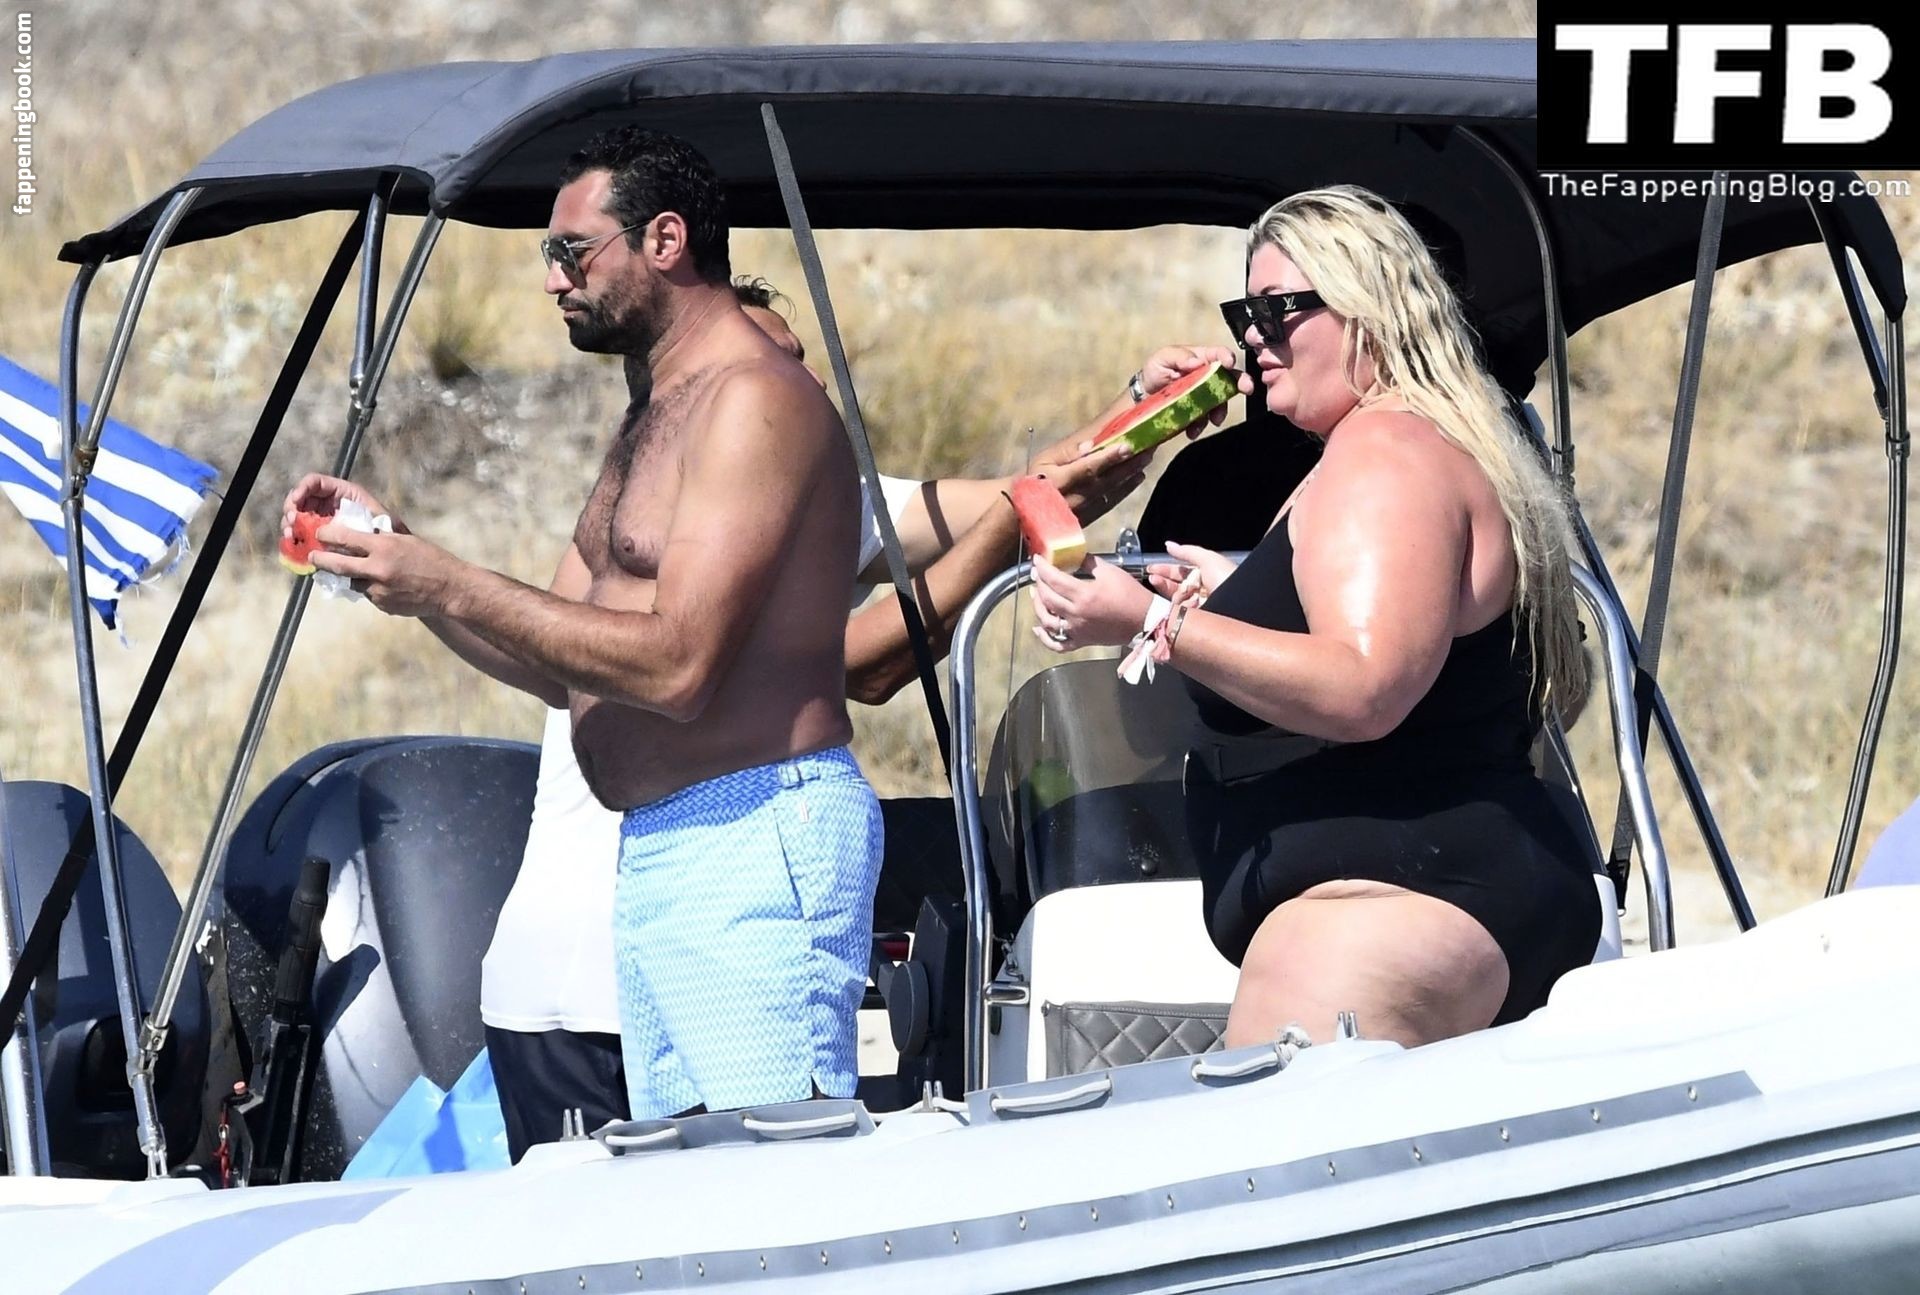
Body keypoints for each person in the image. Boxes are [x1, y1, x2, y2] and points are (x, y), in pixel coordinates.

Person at [377, 251, 1142, 1156]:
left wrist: (1141, 406)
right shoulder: (687, 499)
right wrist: (430, 584)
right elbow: (868, 658)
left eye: (796, 361)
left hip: (590, 964)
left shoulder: (753, 489)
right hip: (619, 960)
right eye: (764, 361)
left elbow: (1028, 490)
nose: (795, 383)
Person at [284, 126, 890, 1134]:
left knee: (770, 1185)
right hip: (662, 844)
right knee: (688, 1190)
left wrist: (455, 581)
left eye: (573, 251)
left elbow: (680, 664)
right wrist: (407, 567)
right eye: (548, 255)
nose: (554, 280)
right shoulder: (654, 410)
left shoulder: (751, 400)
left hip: (754, 831)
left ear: (665, 240)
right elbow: (561, 662)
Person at [1028, 184, 1600, 1051]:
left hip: (1385, 913)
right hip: (1435, 892)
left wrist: (1148, 620)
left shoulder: (1384, 455)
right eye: (1243, 313)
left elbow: (1366, 688)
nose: (1253, 337)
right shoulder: (1403, 442)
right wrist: (1234, 592)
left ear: (1368, 309)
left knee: (1261, 1144)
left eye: (1278, 309)